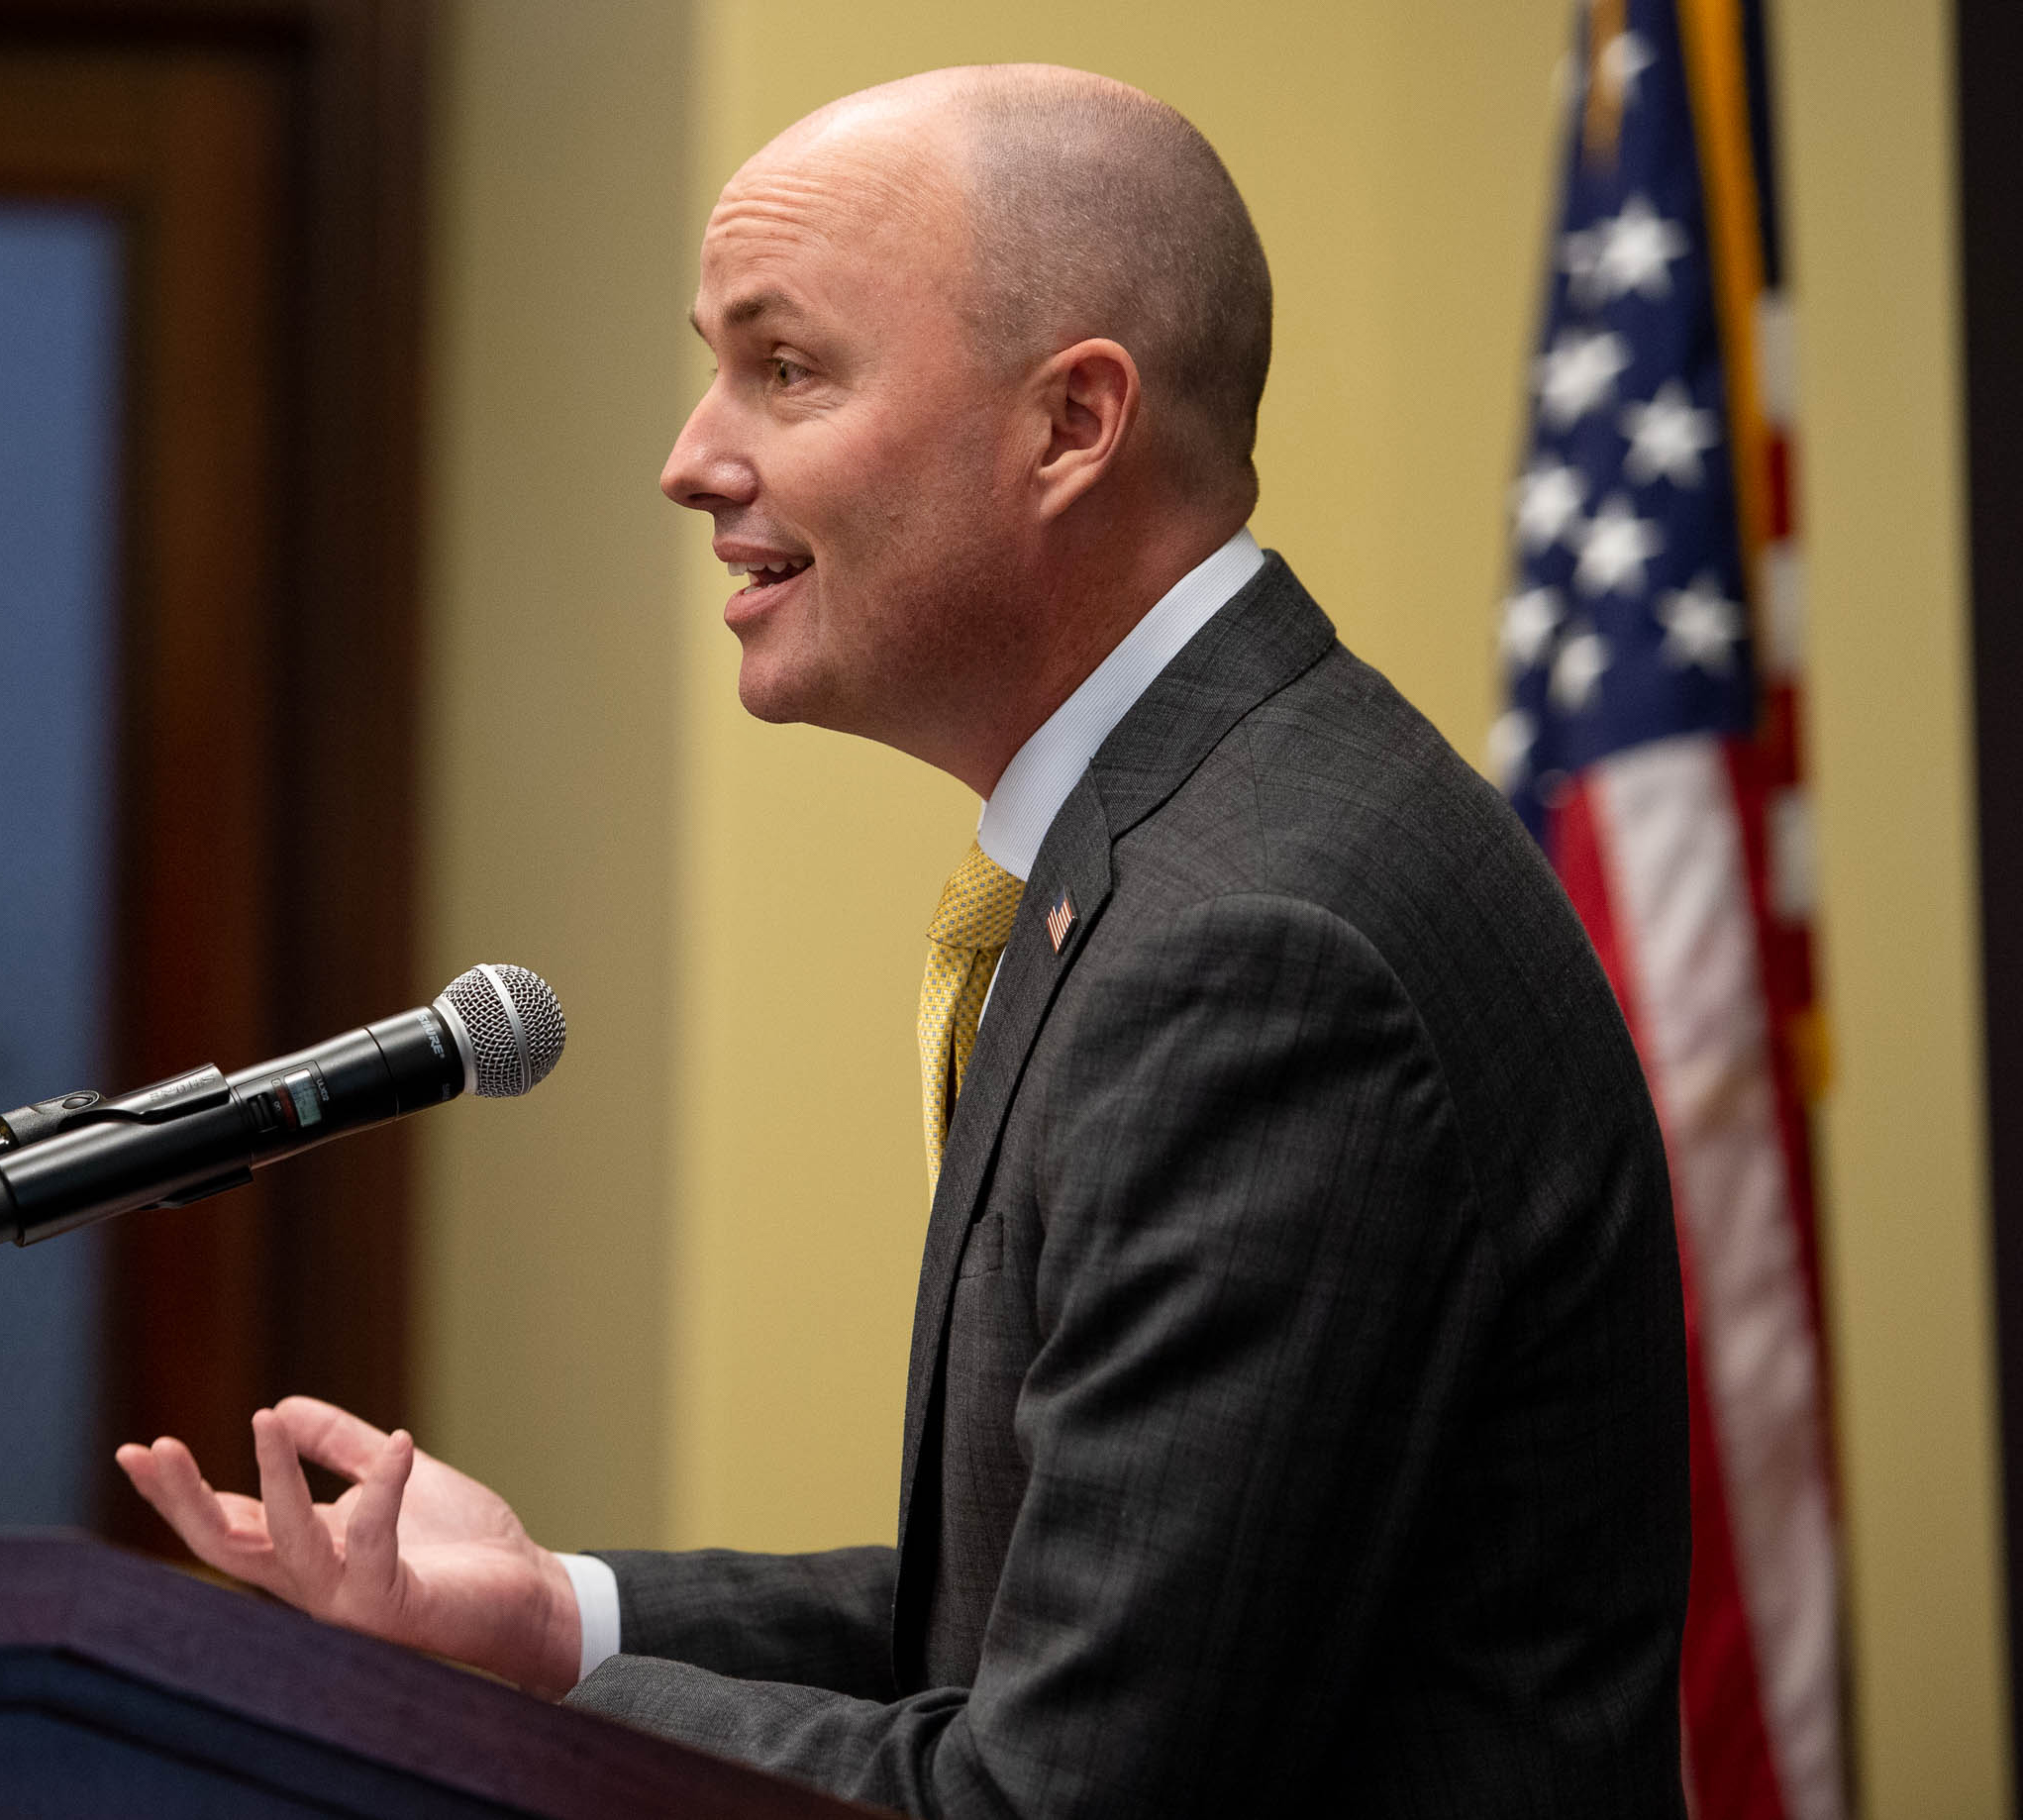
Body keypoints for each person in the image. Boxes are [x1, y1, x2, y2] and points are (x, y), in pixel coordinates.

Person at [117, 64, 1688, 1815]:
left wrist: (500, 1722)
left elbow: (1050, 1792)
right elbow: (1061, 1613)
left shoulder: (1259, 949)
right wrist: (547, 1623)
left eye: (782, 369)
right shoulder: (1201, 837)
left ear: (1071, 426)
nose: (691, 459)